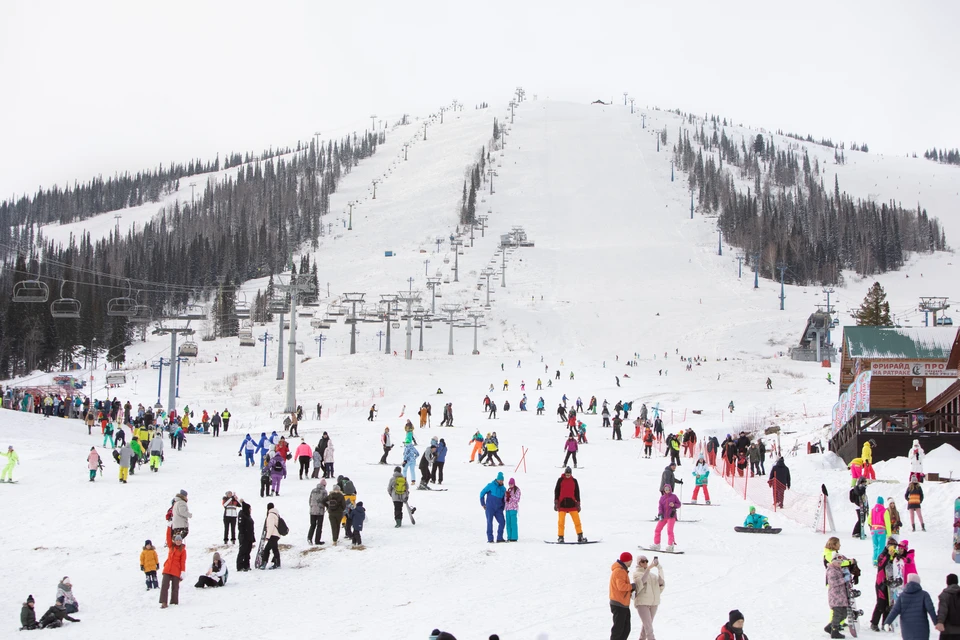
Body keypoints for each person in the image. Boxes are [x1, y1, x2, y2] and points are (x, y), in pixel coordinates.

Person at [885, 574, 937, 639]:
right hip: (921, 629)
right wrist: (936, 622)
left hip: (907, 628)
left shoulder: (902, 596)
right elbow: (931, 609)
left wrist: (887, 622)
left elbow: (895, 610)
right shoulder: (924, 595)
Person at [870, 538, 900, 632]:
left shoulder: (894, 555)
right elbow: (881, 563)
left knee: (889, 603)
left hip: (890, 583)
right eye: (892, 546)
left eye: (895, 546)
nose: (893, 548)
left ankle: (885, 623)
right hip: (881, 583)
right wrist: (888, 555)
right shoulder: (882, 555)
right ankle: (874, 623)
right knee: (881, 604)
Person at [632, 555, 664, 640]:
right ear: (639, 563)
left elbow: (661, 584)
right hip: (642, 603)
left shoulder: (653, 575)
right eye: (643, 561)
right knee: (649, 628)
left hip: (653, 603)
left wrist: (659, 569)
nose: (645, 563)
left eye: (646, 561)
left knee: (646, 626)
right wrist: (648, 569)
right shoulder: (636, 574)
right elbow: (641, 582)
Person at [554, 467, 586, 543]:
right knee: (561, 522)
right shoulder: (560, 480)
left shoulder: (574, 481)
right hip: (562, 505)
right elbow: (556, 491)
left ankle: (580, 536)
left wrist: (578, 503)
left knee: (577, 521)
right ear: (565, 473)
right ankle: (560, 537)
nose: (568, 476)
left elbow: (577, 492)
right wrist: (556, 502)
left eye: (569, 474)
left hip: (572, 505)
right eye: (567, 474)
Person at [609, 551, 634, 640]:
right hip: (619, 603)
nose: (631, 562)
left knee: (626, 629)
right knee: (618, 629)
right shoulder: (619, 571)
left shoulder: (621, 570)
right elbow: (621, 587)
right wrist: (632, 586)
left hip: (622, 603)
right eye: (631, 560)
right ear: (627, 560)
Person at [651, 485, 681, 552]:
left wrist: (674, 505)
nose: (667, 490)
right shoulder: (662, 498)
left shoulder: (674, 496)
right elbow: (660, 507)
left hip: (671, 516)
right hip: (664, 516)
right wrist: (660, 513)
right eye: (665, 489)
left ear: (670, 489)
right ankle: (656, 544)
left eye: (668, 489)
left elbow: (679, 504)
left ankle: (670, 545)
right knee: (657, 529)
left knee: (669, 531)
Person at [159, 534, 186, 608]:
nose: (178, 541)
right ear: (174, 541)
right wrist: (169, 526)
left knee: (175, 587)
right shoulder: (171, 546)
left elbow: (182, 561)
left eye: (179, 540)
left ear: (181, 541)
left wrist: (183, 571)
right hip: (167, 569)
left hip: (176, 570)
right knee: (164, 585)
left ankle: (174, 602)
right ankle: (164, 602)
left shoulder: (183, 550)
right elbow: (168, 537)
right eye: (177, 540)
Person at [480, 472, 507, 543]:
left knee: (502, 522)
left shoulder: (503, 489)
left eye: (502, 480)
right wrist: (483, 504)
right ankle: (490, 539)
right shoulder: (490, 485)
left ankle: (499, 538)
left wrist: (503, 507)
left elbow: (504, 499)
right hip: (490, 508)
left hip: (498, 509)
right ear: (497, 479)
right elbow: (482, 493)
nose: (501, 481)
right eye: (500, 480)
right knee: (489, 522)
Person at [826, 557, 849, 639]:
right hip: (835, 596)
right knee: (837, 614)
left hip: (841, 596)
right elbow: (832, 582)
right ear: (834, 562)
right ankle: (835, 631)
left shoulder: (838, 569)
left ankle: (830, 627)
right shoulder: (832, 570)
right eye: (838, 563)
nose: (840, 564)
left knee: (844, 614)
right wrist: (844, 579)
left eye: (840, 563)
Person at [935, 573, 960, 639]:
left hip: (947, 631)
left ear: (947, 582)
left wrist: (940, 622)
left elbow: (943, 610)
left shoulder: (944, 595)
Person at [260, 503, 282, 569]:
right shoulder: (276, 514)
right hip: (276, 534)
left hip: (273, 534)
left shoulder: (271, 515)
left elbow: (271, 526)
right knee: (268, 549)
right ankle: (266, 563)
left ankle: (276, 564)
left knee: (273, 549)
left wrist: (267, 536)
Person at [236, 501, 255, 572]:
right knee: (242, 551)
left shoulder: (248, 515)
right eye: (250, 509)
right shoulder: (242, 515)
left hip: (249, 536)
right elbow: (241, 527)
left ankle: (246, 565)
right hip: (244, 537)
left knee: (248, 551)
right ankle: (240, 566)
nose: (251, 510)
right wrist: (242, 535)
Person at [308, 480, 328, 544]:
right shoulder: (324, 492)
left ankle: (309, 538)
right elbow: (326, 501)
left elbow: (310, 500)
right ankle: (317, 540)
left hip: (312, 510)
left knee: (312, 525)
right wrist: (327, 507)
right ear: (324, 485)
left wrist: (311, 506)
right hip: (320, 511)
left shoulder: (313, 490)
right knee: (319, 526)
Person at [870, 496, 888, 565]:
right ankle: (879, 561)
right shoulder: (884, 510)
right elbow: (887, 522)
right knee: (881, 547)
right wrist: (888, 533)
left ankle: (874, 561)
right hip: (881, 530)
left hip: (873, 530)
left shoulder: (872, 510)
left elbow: (869, 520)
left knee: (875, 546)